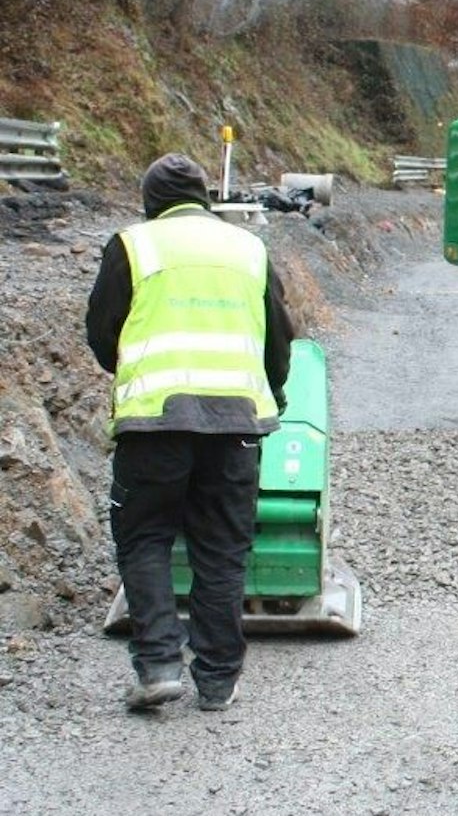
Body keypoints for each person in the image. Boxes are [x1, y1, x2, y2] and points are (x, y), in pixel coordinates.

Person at [85, 153, 295, 711]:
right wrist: (273, 391)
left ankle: (157, 665)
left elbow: (103, 333)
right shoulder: (249, 249)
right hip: (235, 425)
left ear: (151, 202)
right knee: (222, 549)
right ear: (204, 199)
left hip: (155, 420)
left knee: (145, 536)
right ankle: (218, 681)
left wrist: (132, 369)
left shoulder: (133, 244)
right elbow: (278, 336)